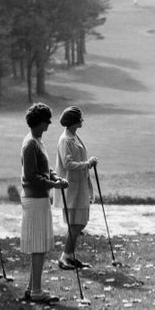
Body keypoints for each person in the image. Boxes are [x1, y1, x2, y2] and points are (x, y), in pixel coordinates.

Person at [20, 103, 69, 303]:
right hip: (34, 198)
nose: (48, 125)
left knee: (39, 244)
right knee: (38, 245)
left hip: (40, 198)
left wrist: (55, 177)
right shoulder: (30, 143)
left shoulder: (37, 140)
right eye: (46, 122)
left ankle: (32, 288)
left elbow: (46, 168)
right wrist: (54, 185)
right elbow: (31, 177)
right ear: (39, 122)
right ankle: (37, 292)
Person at [54, 105, 98, 270]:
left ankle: (70, 255)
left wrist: (88, 163)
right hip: (71, 188)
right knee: (76, 223)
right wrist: (87, 164)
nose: (82, 121)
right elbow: (68, 163)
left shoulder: (74, 136)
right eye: (79, 118)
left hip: (79, 186)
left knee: (80, 222)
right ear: (73, 122)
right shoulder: (66, 139)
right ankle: (65, 256)